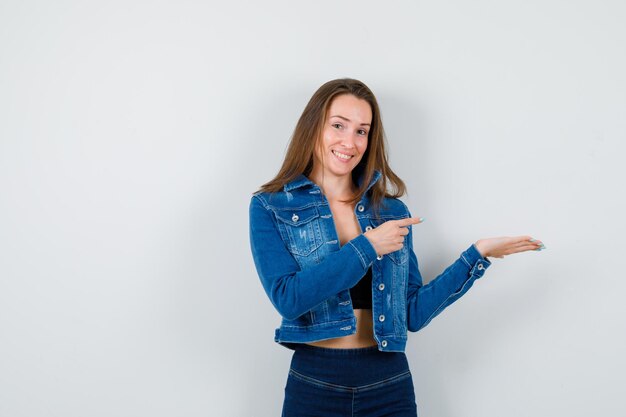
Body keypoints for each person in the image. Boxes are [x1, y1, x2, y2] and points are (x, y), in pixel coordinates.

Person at [249, 78, 544, 417]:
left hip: (387, 382)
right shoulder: (271, 206)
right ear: (314, 126)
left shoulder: (390, 212)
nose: (350, 141)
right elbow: (289, 299)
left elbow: (413, 314)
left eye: (362, 131)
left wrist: (477, 255)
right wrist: (367, 247)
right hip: (315, 382)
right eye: (338, 125)